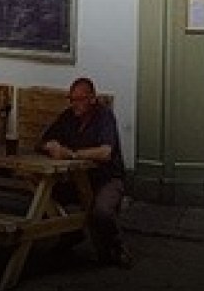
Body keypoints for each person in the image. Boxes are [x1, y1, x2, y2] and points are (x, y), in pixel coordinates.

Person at [40, 77, 133, 268]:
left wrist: (71, 154)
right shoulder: (68, 117)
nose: (75, 104)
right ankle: (70, 234)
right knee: (45, 198)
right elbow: (45, 138)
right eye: (72, 99)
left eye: (80, 99)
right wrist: (50, 145)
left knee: (102, 211)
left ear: (92, 99)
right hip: (78, 178)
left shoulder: (104, 117)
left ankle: (117, 247)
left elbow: (106, 152)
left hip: (107, 178)